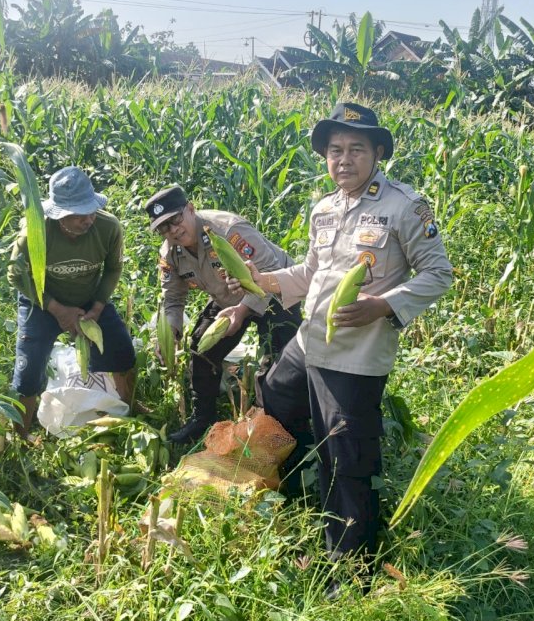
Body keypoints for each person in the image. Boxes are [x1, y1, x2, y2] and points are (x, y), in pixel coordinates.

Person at [233, 102, 453, 564]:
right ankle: (296, 494)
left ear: (377, 153)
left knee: (347, 459)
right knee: (275, 399)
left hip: (354, 356)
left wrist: (383, 305)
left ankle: (350, 565)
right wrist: (262, 279)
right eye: (335, 150)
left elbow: (438, 274)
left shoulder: (404, 207)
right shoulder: (325, 209)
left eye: (356, 149)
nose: (344, 160)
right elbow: (311, 273)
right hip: (309, 341)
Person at [144, 184, 301, 444]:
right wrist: (170, 333)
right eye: (163, 227)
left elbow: (270, 269)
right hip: (228, 297)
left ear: (191, 209)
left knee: (279, 364)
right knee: (201, 350)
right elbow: (172, 298)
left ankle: (275, 428)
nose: (173, 230)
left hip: (275, 291)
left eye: (176, 220)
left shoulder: (229, 231)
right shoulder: (170, 253)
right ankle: (202, 419)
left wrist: (242, 311)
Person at [8, 166, 136, 436]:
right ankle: (21, 434)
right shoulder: (35, 233)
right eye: (79, 215)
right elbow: (16, 276)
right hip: (42, 302)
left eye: (91, 210)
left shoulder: (108, 227)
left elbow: (113, 269)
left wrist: (98, 306)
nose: (88, 219)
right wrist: (56, 309)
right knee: (28, 367)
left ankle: (129, 409)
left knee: (122, 351)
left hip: (90, 298)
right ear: (59, 215)